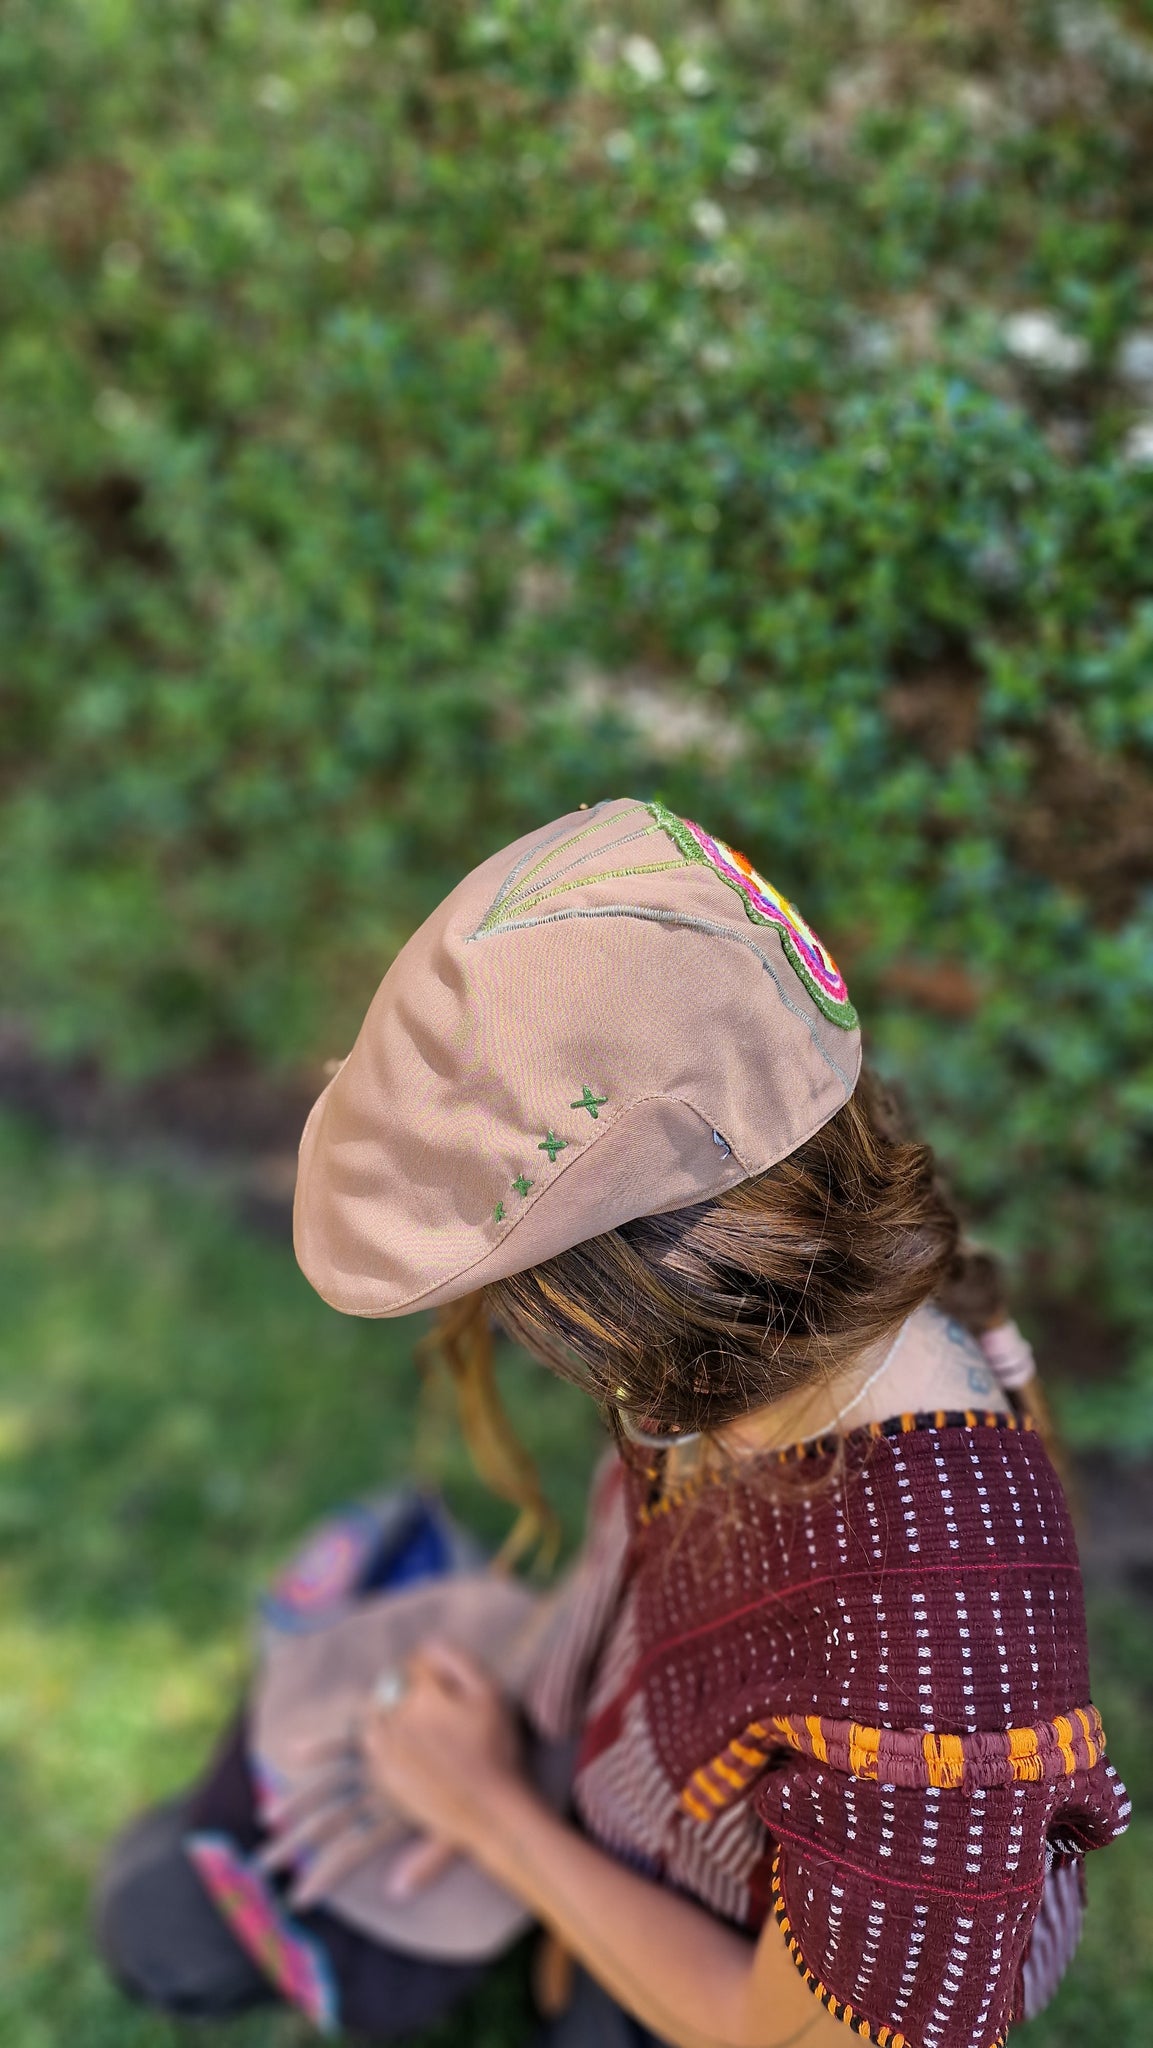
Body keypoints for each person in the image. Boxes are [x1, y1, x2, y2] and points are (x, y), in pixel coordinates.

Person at [94, 796, 1130, 2048]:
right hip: (613, 1775)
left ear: (597, 1318)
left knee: (162, 1931)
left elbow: (777, 2034)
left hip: (711, 1972)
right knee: (162, 1895)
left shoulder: (938, 1659)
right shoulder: (757, 1341)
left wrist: (487, 1811)